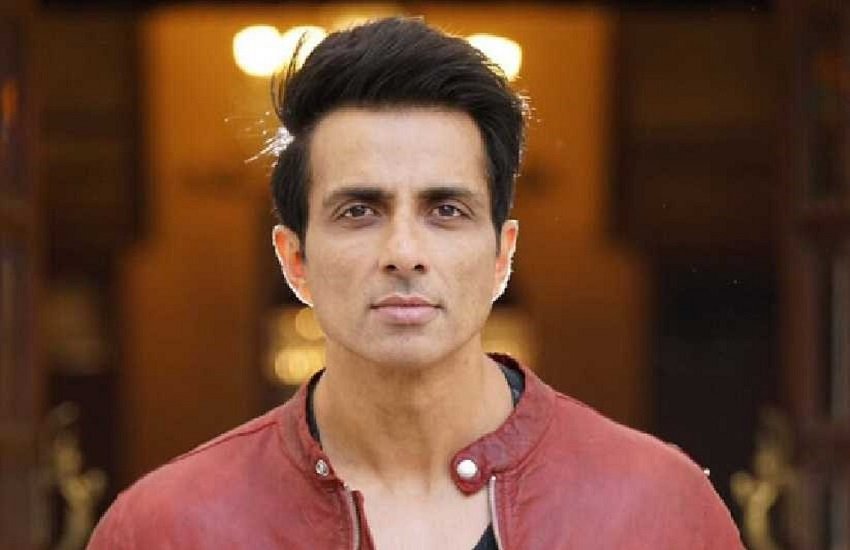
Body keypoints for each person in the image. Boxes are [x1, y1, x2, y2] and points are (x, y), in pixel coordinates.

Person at [88, 17, 743, 549]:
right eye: (359, 211)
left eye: (446, 210)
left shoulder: (657, 507)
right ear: (295, 260)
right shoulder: (168, 528)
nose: (404, 253)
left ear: (502, 255)